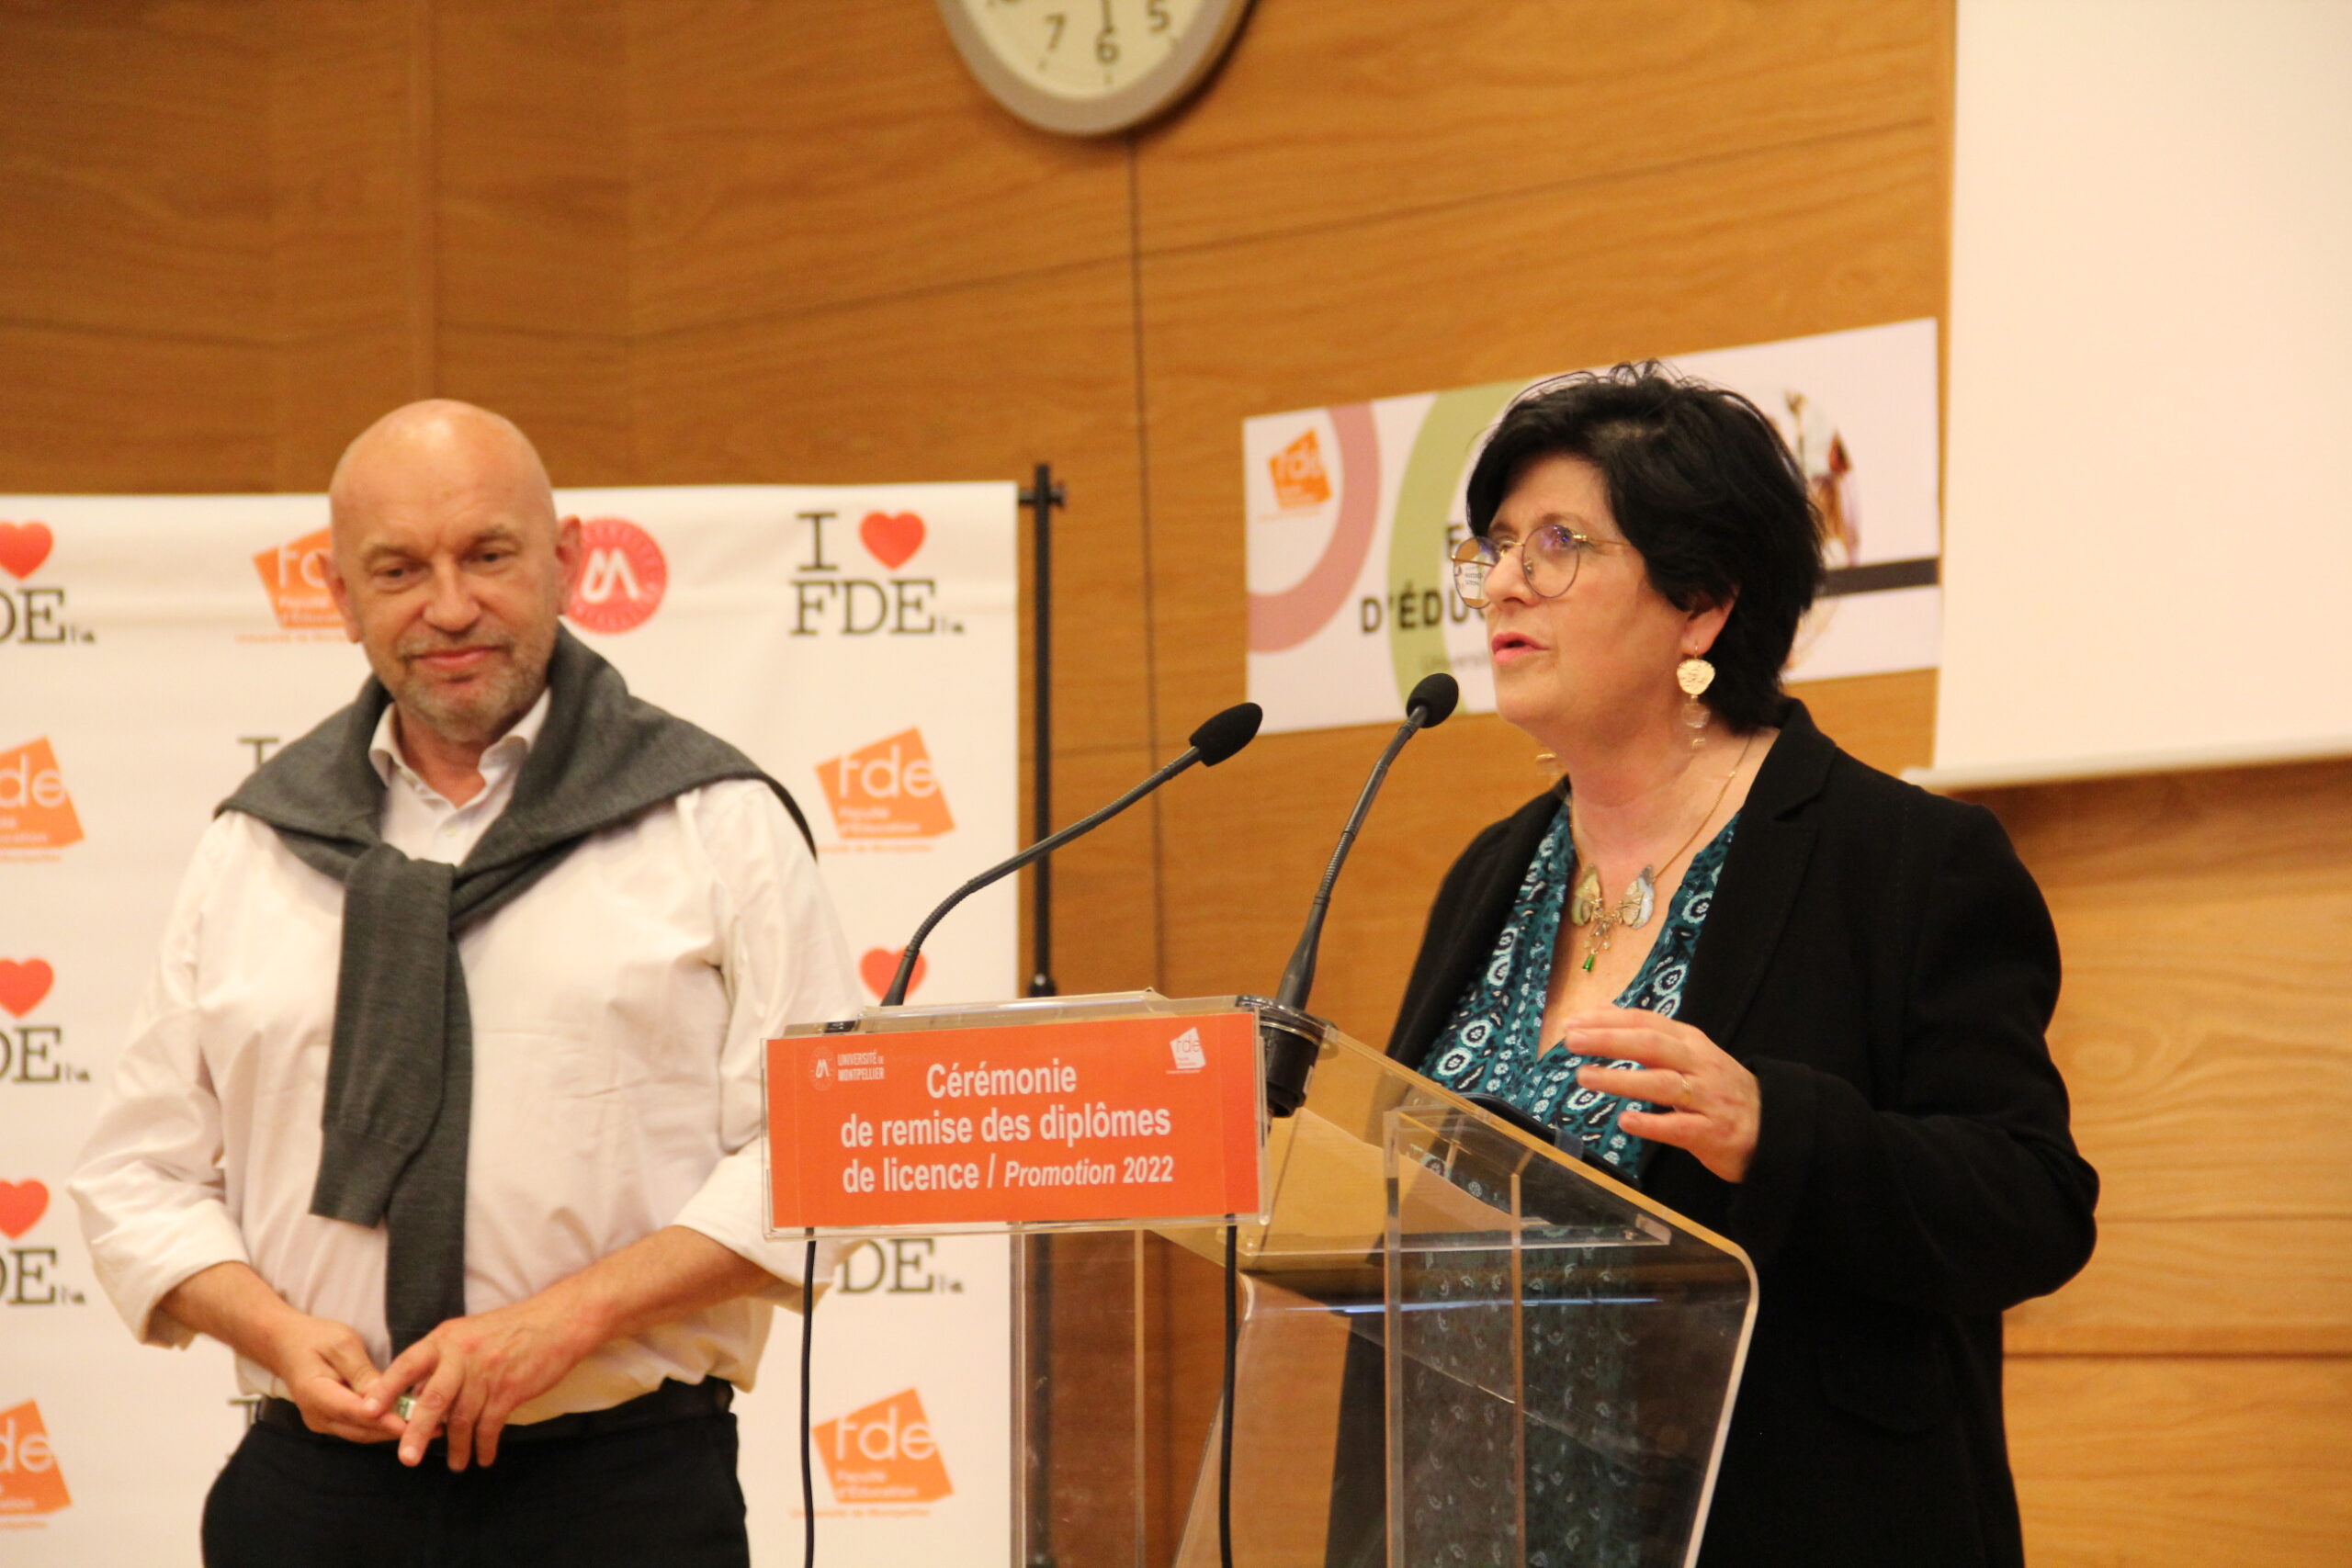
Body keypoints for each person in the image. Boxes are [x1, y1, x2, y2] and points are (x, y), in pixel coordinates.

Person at [70, 400, 859, 1567]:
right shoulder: (254, 844)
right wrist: (279, 1334)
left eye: (488, 555)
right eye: (398, 569)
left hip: (619, 1498)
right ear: (340, 598)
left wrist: (566, 1321)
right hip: (311, 1496)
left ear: (568, 563)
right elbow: (138, 1174)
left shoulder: (715, 822)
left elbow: (820, 1153)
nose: (448, 607)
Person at [1379, 366, 2097, 1566]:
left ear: (1703, 603)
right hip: (1473, 1524)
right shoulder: (1490, 875)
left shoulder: (1904, 860)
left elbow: (2031, 1208)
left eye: (1559, 544)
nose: (1502, 580)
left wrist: (1781, 1128)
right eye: (1496, 545)